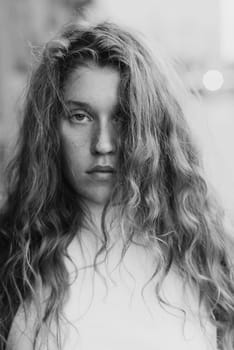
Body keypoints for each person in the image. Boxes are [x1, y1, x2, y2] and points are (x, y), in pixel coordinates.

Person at [0, 20, 234, 350]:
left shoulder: (205, 258)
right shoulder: (13, 261)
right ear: (51, 129)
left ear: (151, 127)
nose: (104, 144)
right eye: (80, 116)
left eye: (122, 117)